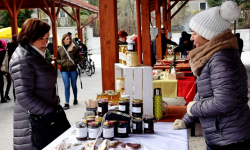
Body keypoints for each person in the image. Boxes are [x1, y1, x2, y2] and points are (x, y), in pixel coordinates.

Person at [172, 2, 250, 150]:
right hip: (222, 135)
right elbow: (204, 94)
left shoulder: (220, 59)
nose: (192, 38)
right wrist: (186, 120)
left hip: (229, 139)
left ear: (207, 34)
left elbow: (224, 102)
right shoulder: (212, 56)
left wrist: (193, 108)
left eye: (194, 33)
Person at [9, 18, 59, 150]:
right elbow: (24, 97)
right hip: (33, 123)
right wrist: (49, 111)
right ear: (29, 35)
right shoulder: (22, 58)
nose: (45, 42)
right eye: (41, 38)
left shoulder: (35, 53)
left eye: (47, 38)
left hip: (42, 119)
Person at [56, 34, 81, 110]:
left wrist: (74, 61)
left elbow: (78, 58)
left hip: (73, 70)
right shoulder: (60, 49)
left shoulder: (74, 48)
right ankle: (67, 103)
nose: (69, 40)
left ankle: (75, 99)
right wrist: (61, 62)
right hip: (64, 70)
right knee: (67, 86)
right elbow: (57, 59)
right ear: (63, 40)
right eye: (67, 39)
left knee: (73, 85)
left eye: (69, 39)